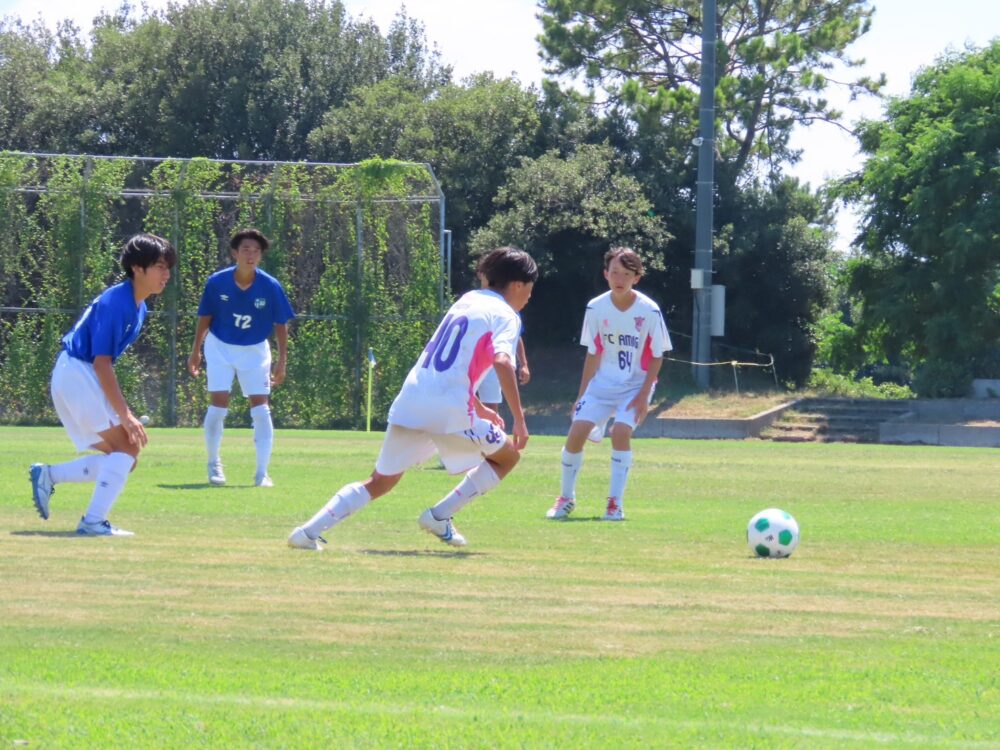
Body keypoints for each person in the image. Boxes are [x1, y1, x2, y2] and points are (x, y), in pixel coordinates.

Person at [288, 246, 538, 551]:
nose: (530, 296)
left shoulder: (467, 301)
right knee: (507, 457)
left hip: (413, 398)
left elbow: (450, 366)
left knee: (380, 481)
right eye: (530, 287)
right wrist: (520, 420)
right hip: (449, 409)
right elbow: (502, 361)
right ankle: (439, 516)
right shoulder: (507, 315)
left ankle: (307, 532)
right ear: (517, 284)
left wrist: (480, 408)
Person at [28, 233, 178, 536]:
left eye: (168, 268)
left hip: (76, 373)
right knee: (126, 449)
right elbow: (101, 363)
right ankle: (92, 522)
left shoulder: (138, 306)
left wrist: (124, 413)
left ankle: (49, 475)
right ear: (137, 268)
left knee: (123, 458)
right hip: (77, 372)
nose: (166, 274)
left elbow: (102, 364)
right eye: (160, 266)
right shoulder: (117, 302)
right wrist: (125, 414)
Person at [547, 247, 672, 522]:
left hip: (635, 385)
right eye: (615, 272)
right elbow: (593, 352)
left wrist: (643, 396)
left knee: (620, 433)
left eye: (627, 274)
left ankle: (615, 504)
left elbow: (657, 356)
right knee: (576, 433)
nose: (620, 279)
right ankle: (566, 499)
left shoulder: (649, 310)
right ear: (605, 274)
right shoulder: (595, 307)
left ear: (637, 277)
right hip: (602, 385)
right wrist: (581, 395)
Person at [187, 228, 295, 487]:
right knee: (218, 405)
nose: (251, 255)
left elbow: (281, 324)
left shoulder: (270, 286)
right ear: (235, 253)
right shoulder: (217, 282)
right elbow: (205, 317)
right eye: (246, 249)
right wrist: (195, 350)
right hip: (220, 347)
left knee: (261, 408)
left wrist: (282, 362)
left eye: (256, 251)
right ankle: (214, 464)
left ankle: (262, 473)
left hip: (255, 350)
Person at [475, 271, 530, 413]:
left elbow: (516, 336)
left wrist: (524, 364)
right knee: (462, 402)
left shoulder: (508, 308)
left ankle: (491, 428)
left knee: (490, 407)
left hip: (492, 362)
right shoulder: (472, 301)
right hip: (470, 360)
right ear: (479, 274)